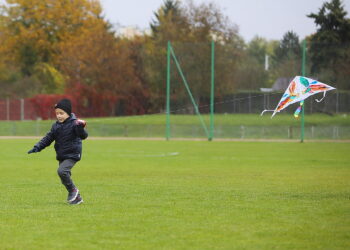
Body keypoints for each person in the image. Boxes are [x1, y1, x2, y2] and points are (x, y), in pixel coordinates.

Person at [28, 98, 88, 205]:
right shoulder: (56, 126)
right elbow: (48, 138)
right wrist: (37, 147)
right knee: (64, 177)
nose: (59, 116)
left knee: (62, 171)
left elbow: (83, 136)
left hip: (73, 154)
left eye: (61, 113)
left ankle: (73, 190)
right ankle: (77, 198)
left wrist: (80, 128)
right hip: (62, 155)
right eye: (57, 113)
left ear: (68, 113)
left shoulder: (75, 124)